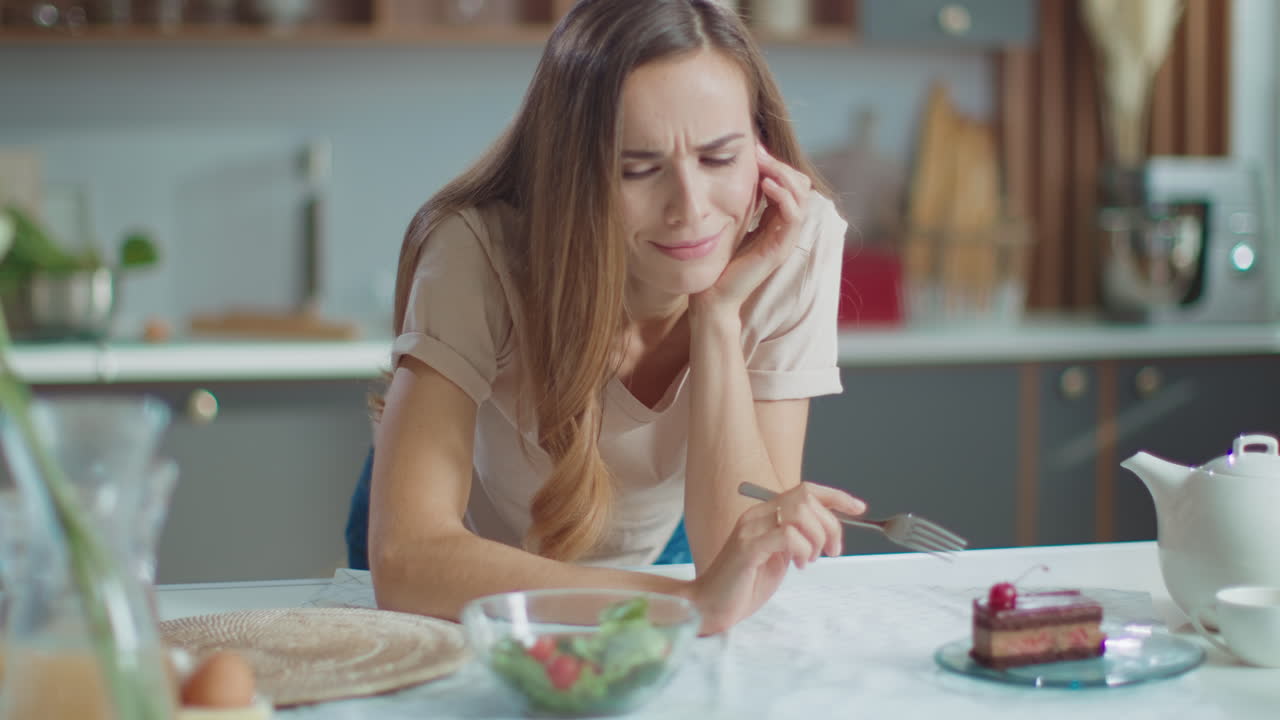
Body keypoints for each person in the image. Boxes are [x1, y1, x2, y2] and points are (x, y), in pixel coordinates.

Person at [357, 0, 867, 636]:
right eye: (638, 169)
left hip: (662, 554)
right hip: (468, 563)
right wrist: (688, 602)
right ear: (570, 175)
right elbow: (409, 561)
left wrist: (716, 314)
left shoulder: (792, 238)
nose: (690, 208)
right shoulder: (476, 250)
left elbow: (744, 555)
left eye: (719, 159)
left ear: (761, 147)